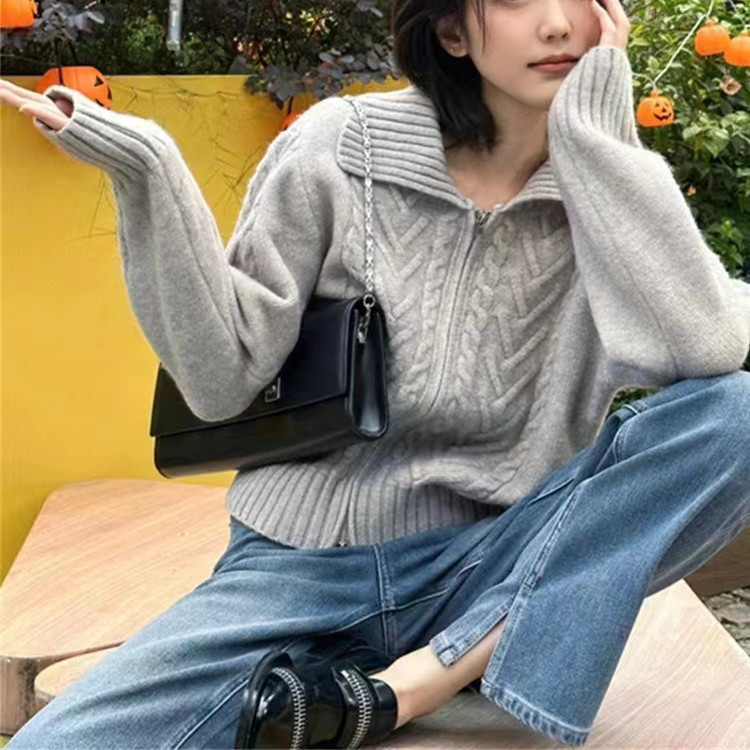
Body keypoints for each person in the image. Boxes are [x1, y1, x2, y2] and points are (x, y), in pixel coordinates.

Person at [2, 0, 750, 747]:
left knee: (741, 411)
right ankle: (411, 674)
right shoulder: (340, 146)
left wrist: (599, 145)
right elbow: (223, 381)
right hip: (301, 571)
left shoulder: (612, 191)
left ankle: (415, 685)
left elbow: (710, 353)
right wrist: (151, 172)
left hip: (493, 566)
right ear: (451, 31)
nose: (557, 24)